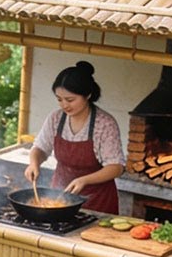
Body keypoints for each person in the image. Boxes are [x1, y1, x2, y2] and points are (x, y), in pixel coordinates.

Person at [24, 60, 123, 214]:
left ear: (88, 95)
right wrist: (34, 163)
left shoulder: (104, 124)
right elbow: (40, 148)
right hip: (59, 198)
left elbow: (116, 167)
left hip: (97, 202)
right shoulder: (56, 119)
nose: (64, 105)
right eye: (59, 99)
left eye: (70, 100)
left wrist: (84, 180)